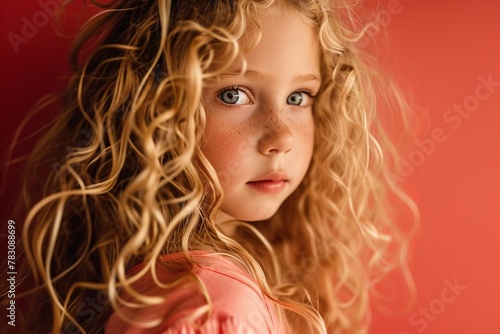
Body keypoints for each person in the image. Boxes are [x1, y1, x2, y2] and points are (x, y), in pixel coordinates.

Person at [13, 0, 416, 333]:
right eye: (234, 94)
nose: (283, 137)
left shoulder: (196, 287)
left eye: (298, 98)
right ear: (159, 113)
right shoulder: (215, 309)